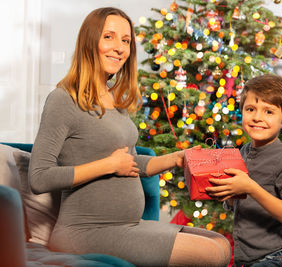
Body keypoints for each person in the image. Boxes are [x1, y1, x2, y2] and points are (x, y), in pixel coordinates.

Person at [28, 7, 231, 267]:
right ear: (90, 41)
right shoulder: (63, 99)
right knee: (211, 254)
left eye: (126, 41)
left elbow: (133, 163)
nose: (120, 48)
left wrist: (179, 157)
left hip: (128, 225)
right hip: (86, 231)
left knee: (221, 245)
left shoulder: (115, 100)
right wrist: (108, 165)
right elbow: (39, 177)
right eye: (109, 37)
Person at [206, 74, 282, 267]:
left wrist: (250, 187)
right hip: (248, 259)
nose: (257, 117)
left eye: (268, 112)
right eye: (250, 109)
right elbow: (236, 202)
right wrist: (225, 190)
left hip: (281, 257)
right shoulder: (242, 152)